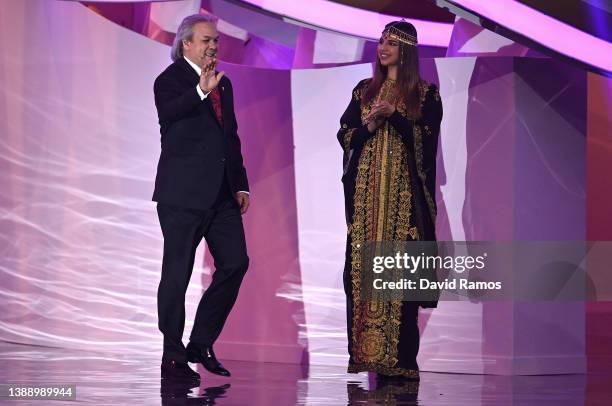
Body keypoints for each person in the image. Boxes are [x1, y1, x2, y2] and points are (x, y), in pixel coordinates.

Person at [337, 20, 442, 381]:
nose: (384, 48)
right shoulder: (363, 91)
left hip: (403, 206)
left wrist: (394, 117)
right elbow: (345, 134)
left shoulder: (426, 95)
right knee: (360, 276)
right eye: (382, 41)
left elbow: (426, 141)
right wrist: (369, 125)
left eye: (393, 44)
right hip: (368, 206)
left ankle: (402, 365)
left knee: (402, 283)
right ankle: (366, 358)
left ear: (407, 52)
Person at [152, 14, 250, 381]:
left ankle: (200, 342)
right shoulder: (170, 80)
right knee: (177, 275)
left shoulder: (224, 85)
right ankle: (173, 356)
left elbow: (231, 137)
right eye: (206, 40)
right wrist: (199, 90)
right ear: (186, 44)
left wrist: (240, 184)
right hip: (182, 195)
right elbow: (169, 112)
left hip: (222, 195)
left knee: (236, 263)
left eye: (216, 41)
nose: (213, 46)